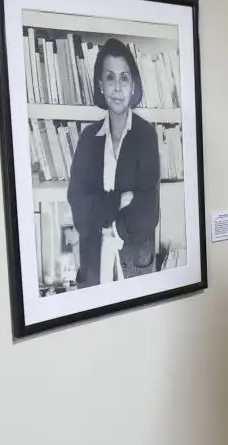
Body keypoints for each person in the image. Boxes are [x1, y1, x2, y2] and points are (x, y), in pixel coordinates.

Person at [67, 39, 160, 287]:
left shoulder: (145, 135)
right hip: (93, 264)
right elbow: (79, 210)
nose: (117, 88)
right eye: (110, 78)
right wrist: (119, 200)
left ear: (133, 86)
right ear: (100, 85)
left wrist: (106, 220)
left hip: (134, 264)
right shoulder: (88, 138)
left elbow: (147, 213)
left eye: (124, 78)